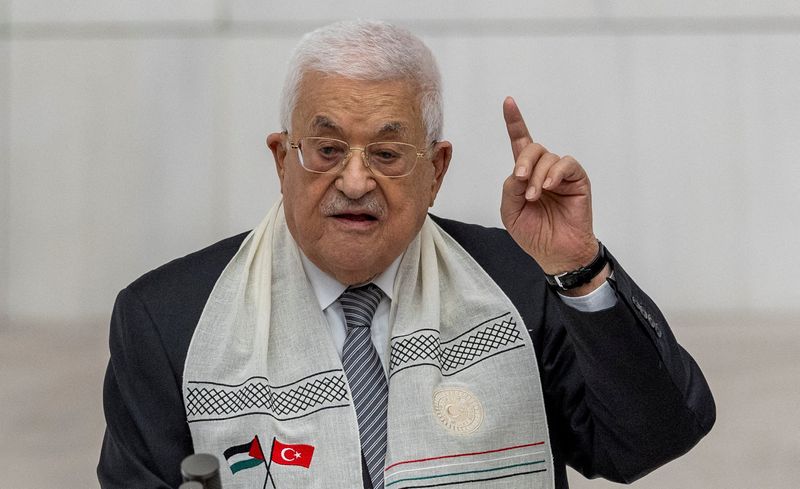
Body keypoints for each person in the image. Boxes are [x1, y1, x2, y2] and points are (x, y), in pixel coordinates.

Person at [98, 20, 714, 489]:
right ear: (282, 158)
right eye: (327, 149)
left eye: (388, 155)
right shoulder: (167, 319)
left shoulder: (521, 282)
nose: (356, 182)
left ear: (437, 170)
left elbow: (649, 441)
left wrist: (578, 271)